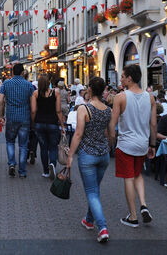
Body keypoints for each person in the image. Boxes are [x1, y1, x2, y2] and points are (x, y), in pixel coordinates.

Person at [67, 77, 112, 243]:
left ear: (90, 89)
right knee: (95, 189)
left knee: (92, 192)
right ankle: (88, 219)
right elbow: (111, 134)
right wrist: (108, 147)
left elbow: (78, 134)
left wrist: (70, 155)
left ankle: (102, 227)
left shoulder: (84, 109)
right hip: (103, 155)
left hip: (87, 155)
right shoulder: (108, 110)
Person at [110, 65, 156, 228]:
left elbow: (113, 123)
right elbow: (153, 124)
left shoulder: (120, 97)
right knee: (137, 174)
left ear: (129, 78)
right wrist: (152, 144)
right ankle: (143, 204)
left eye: (123, 76)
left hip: (126, 144)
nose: (121, 79)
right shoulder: (150, 97)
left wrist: (111, 141)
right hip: (142, 144)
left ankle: (133, 216)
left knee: (128, 177)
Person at [0, 63, 37, 178]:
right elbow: (33, 107)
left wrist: (1, 115)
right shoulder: (29, 85)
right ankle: (22, 171)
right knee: (23, 145)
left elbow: (0, 101)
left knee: (10, 142)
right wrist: (33, 120)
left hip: (11, 117)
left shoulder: (6, 84)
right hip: (25, 118)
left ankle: (11, 163)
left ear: (12, 72)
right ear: (22, 72)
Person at [31, 74, 63, 178]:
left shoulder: (35, 94)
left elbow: (33, 110)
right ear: (49, 82)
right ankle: (52, 164)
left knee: (43, 148)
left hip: (39, 123)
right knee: (53, 147)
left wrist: (33, 122)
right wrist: (62, 126)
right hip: (52, 123)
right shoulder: (56, 93)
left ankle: (45, 171)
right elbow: (58, 111)